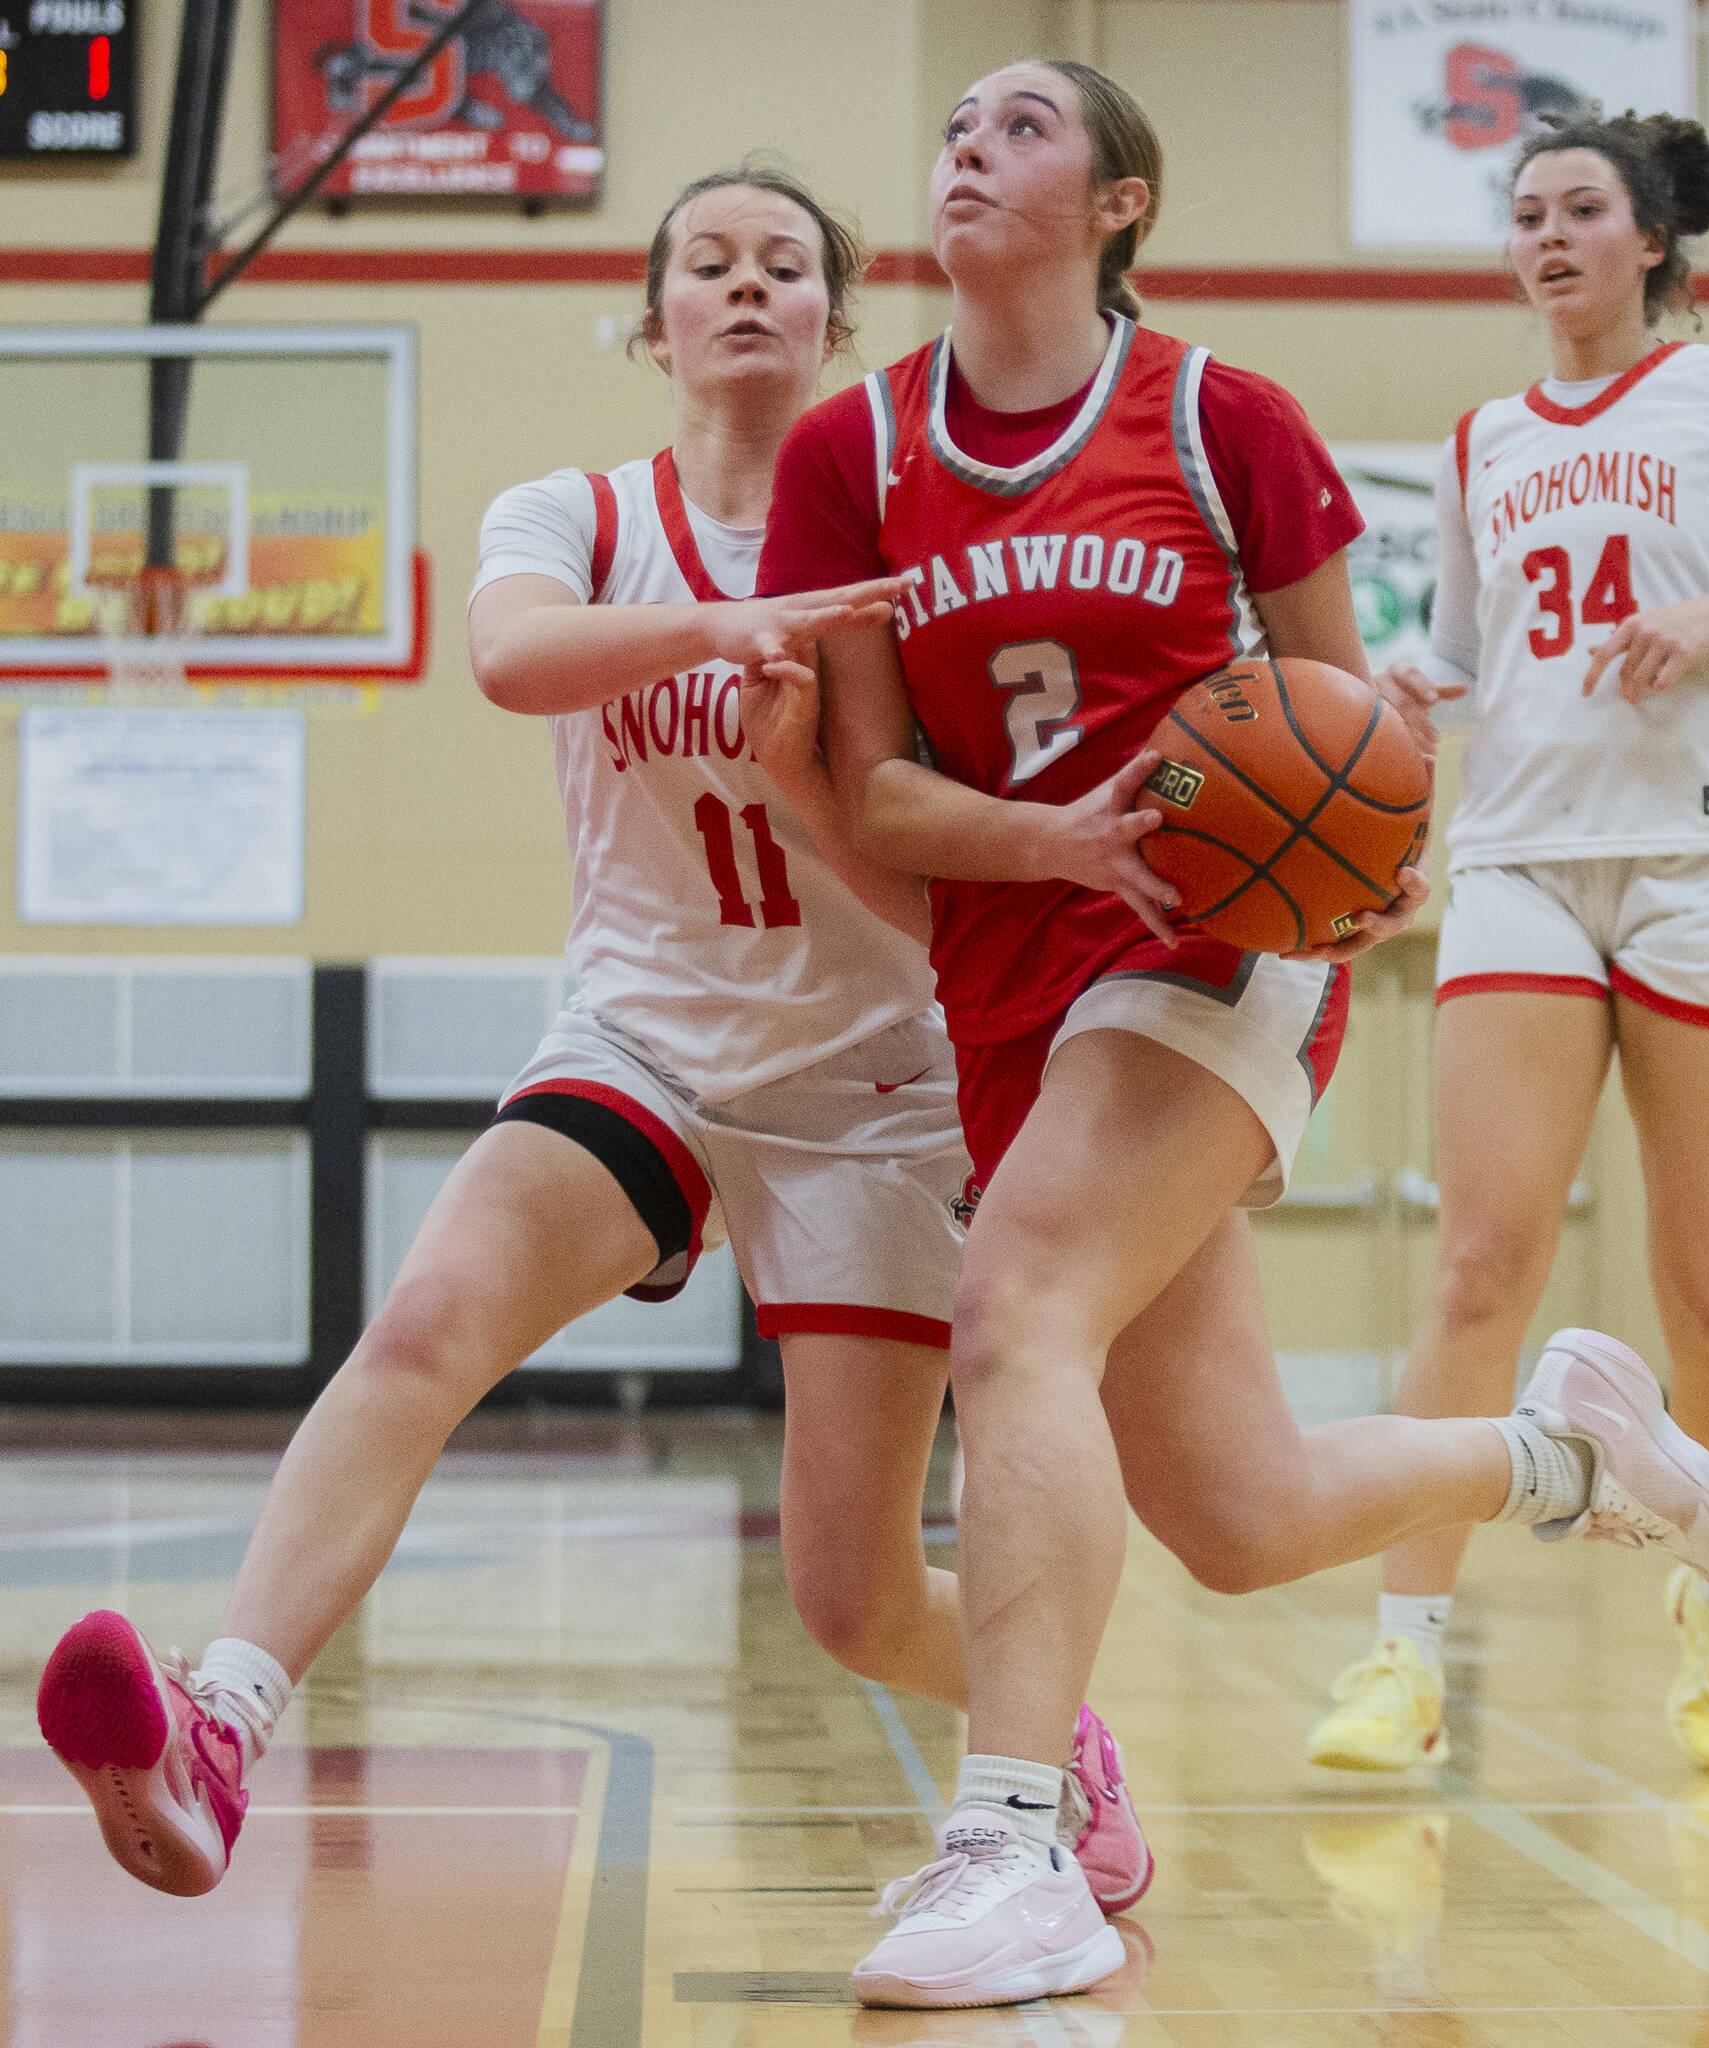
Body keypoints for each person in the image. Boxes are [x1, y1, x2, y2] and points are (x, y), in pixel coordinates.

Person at [749, 61, 1709, 2009]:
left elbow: (1340, 724)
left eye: (1022, 125)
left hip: (1214, 949)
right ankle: (1558, 1451)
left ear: (1121, 197)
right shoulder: (850, 454)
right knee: (1235, 1511)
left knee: (1016, 1301)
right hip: (1008, 982)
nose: (968, 143)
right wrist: (1047, 839)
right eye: (954, 122)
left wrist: (1358, 851)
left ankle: (1012, 1840)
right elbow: (866, 797)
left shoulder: (1223, 420)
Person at [33, 164, 1151, 1915]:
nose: (745, 285)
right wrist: (718, 623)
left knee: (847, 1598)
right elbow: (509, 657)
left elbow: (931, 848)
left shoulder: (899, 552)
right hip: (644, 1045)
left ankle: (1055, 1731)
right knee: (423, 1323)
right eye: (706, 261)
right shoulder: (576, 513)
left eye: (785, 264)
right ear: (653, 320)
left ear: (838, 328)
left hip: (872, 1087)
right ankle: (219, 1726)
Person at [1308, 113, 1709, 1778]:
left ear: (1650, 239)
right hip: (1518, 857)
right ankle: (1403, 1659)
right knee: (1475, 1268)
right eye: (1524, 213)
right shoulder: (1476, 439)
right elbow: (1445, 652)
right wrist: (1401, 704)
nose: (1547, 235)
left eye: (1581, 208)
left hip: (1707, 861)